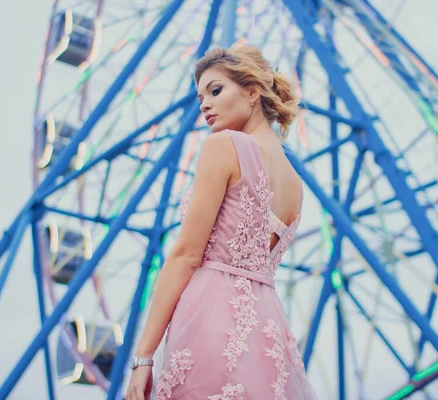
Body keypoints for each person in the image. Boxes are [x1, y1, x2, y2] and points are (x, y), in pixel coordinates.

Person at [125, 44, 317, 400]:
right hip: (267, 333)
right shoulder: (295, 184)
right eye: (200, 97)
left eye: (215, 90)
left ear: (252, 91)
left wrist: (142, 357)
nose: (204, 105)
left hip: (210, 321)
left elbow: (186, 255)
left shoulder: (223, 146)